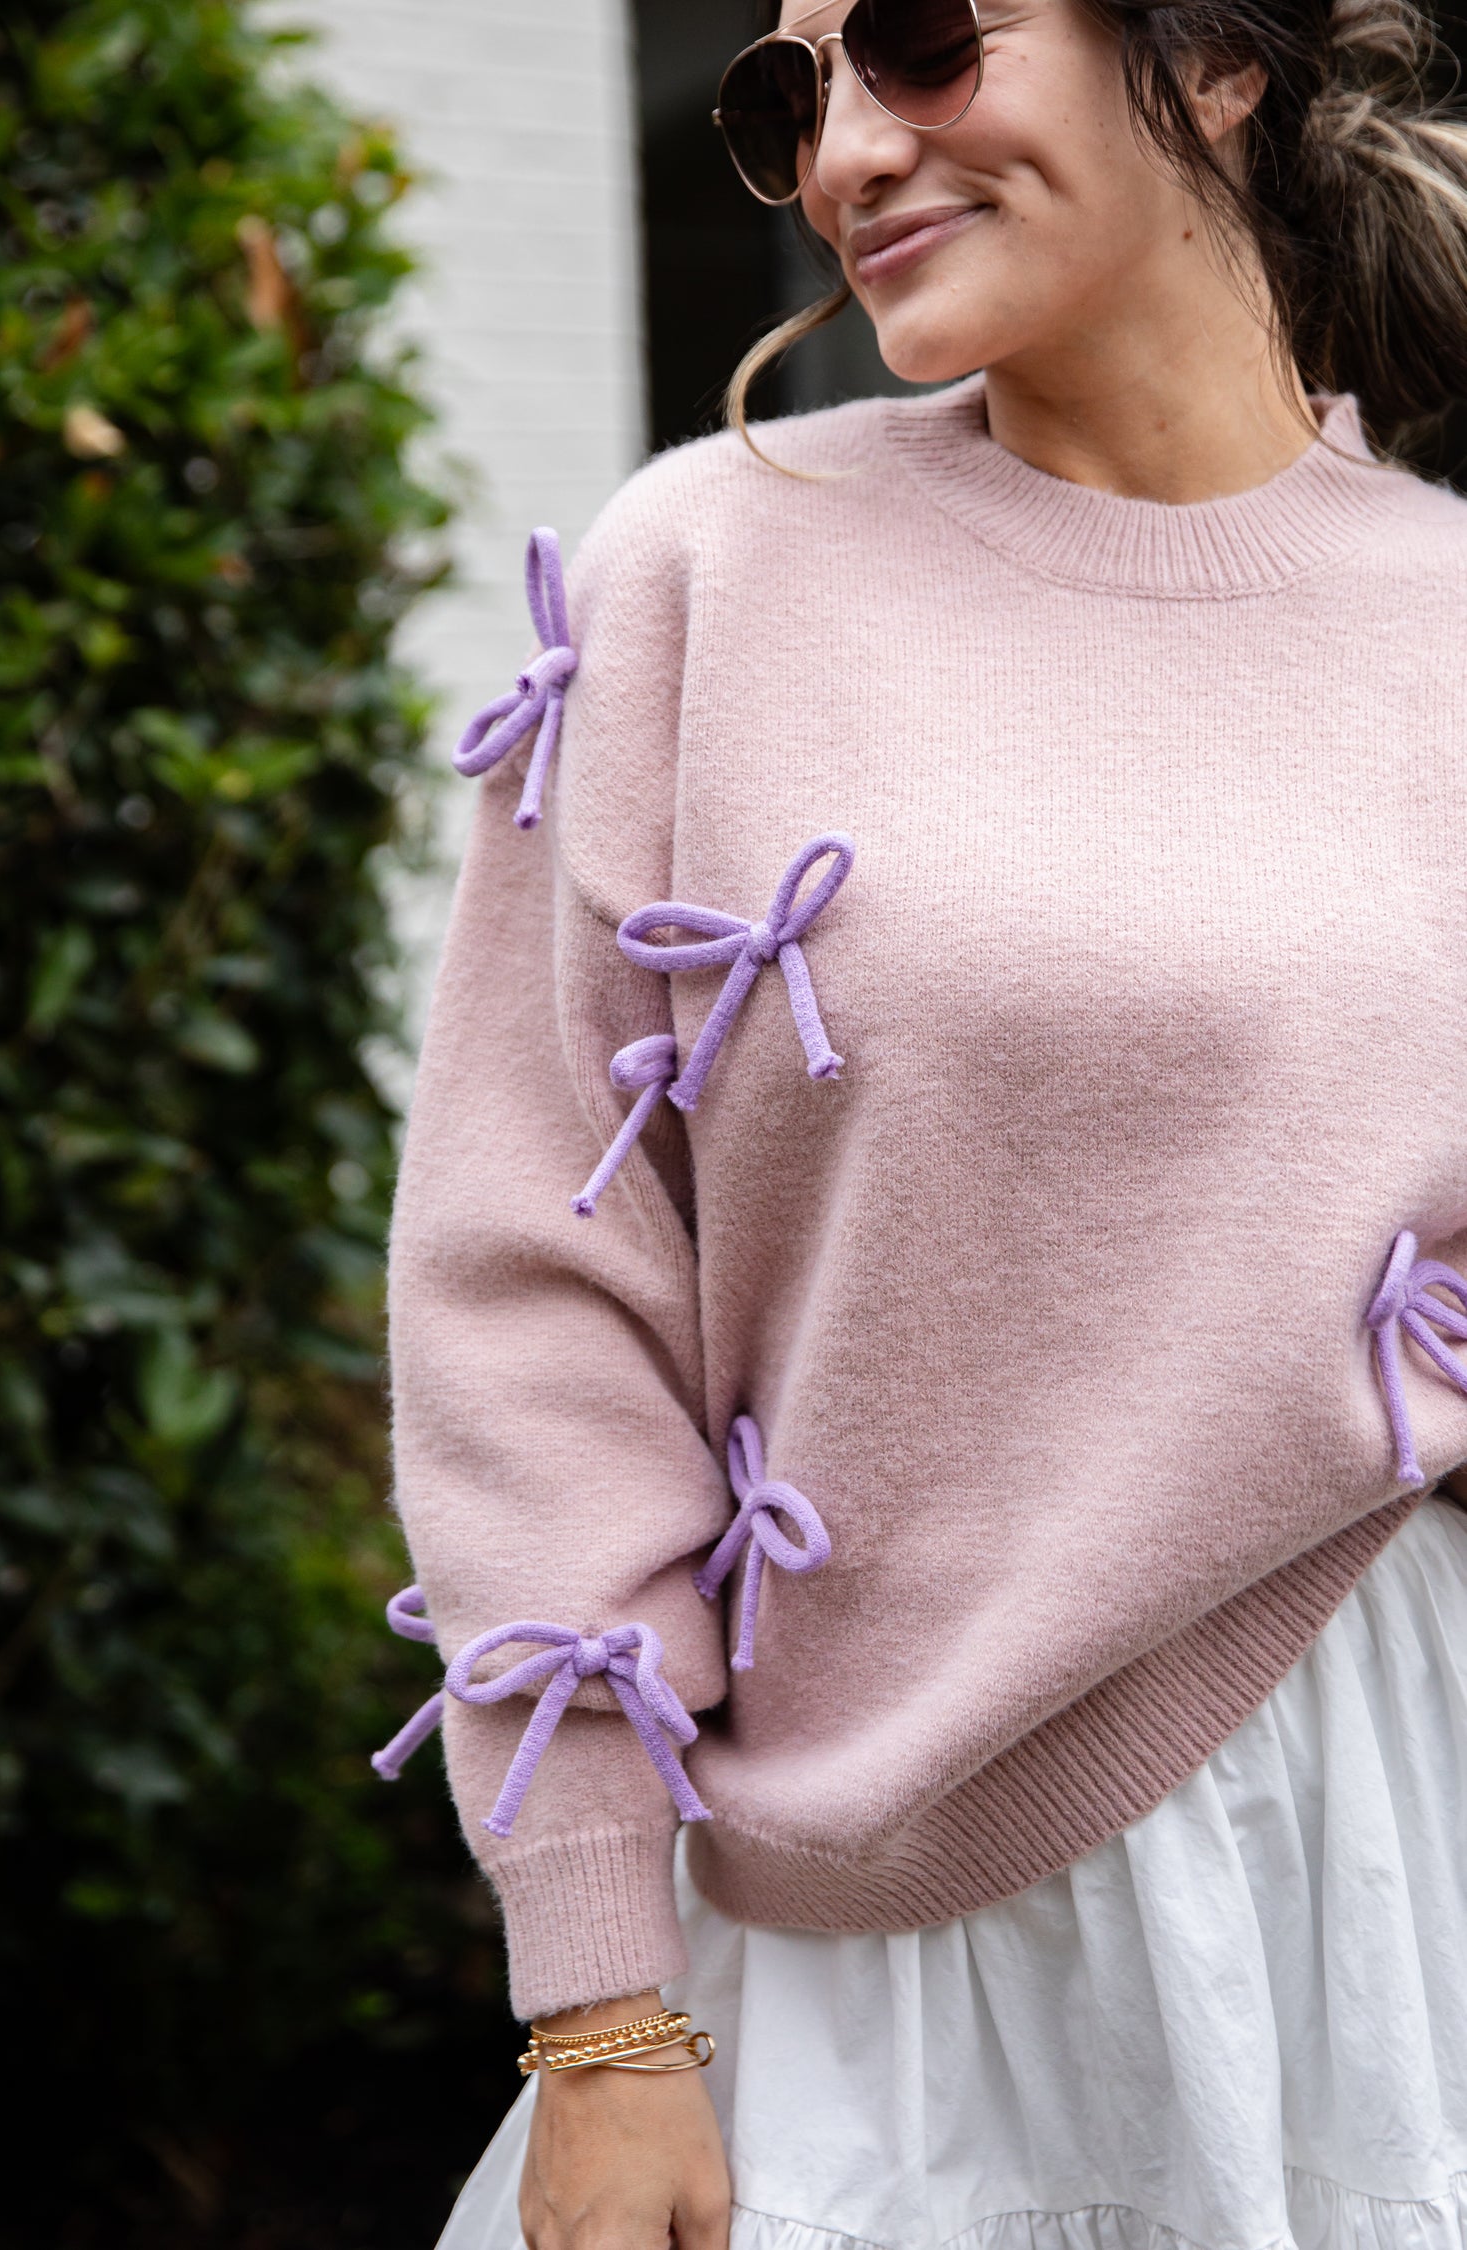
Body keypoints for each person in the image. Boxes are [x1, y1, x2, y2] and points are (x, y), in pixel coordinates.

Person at [382, 0, 1467, 2243]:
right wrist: (597, 2009)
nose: (854, 148)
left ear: (1218, 55)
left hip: (1403, 1853)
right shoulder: (712, 573)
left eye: (917, 40)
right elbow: (533, 1294)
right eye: (790, 102)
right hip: (888, 1940)